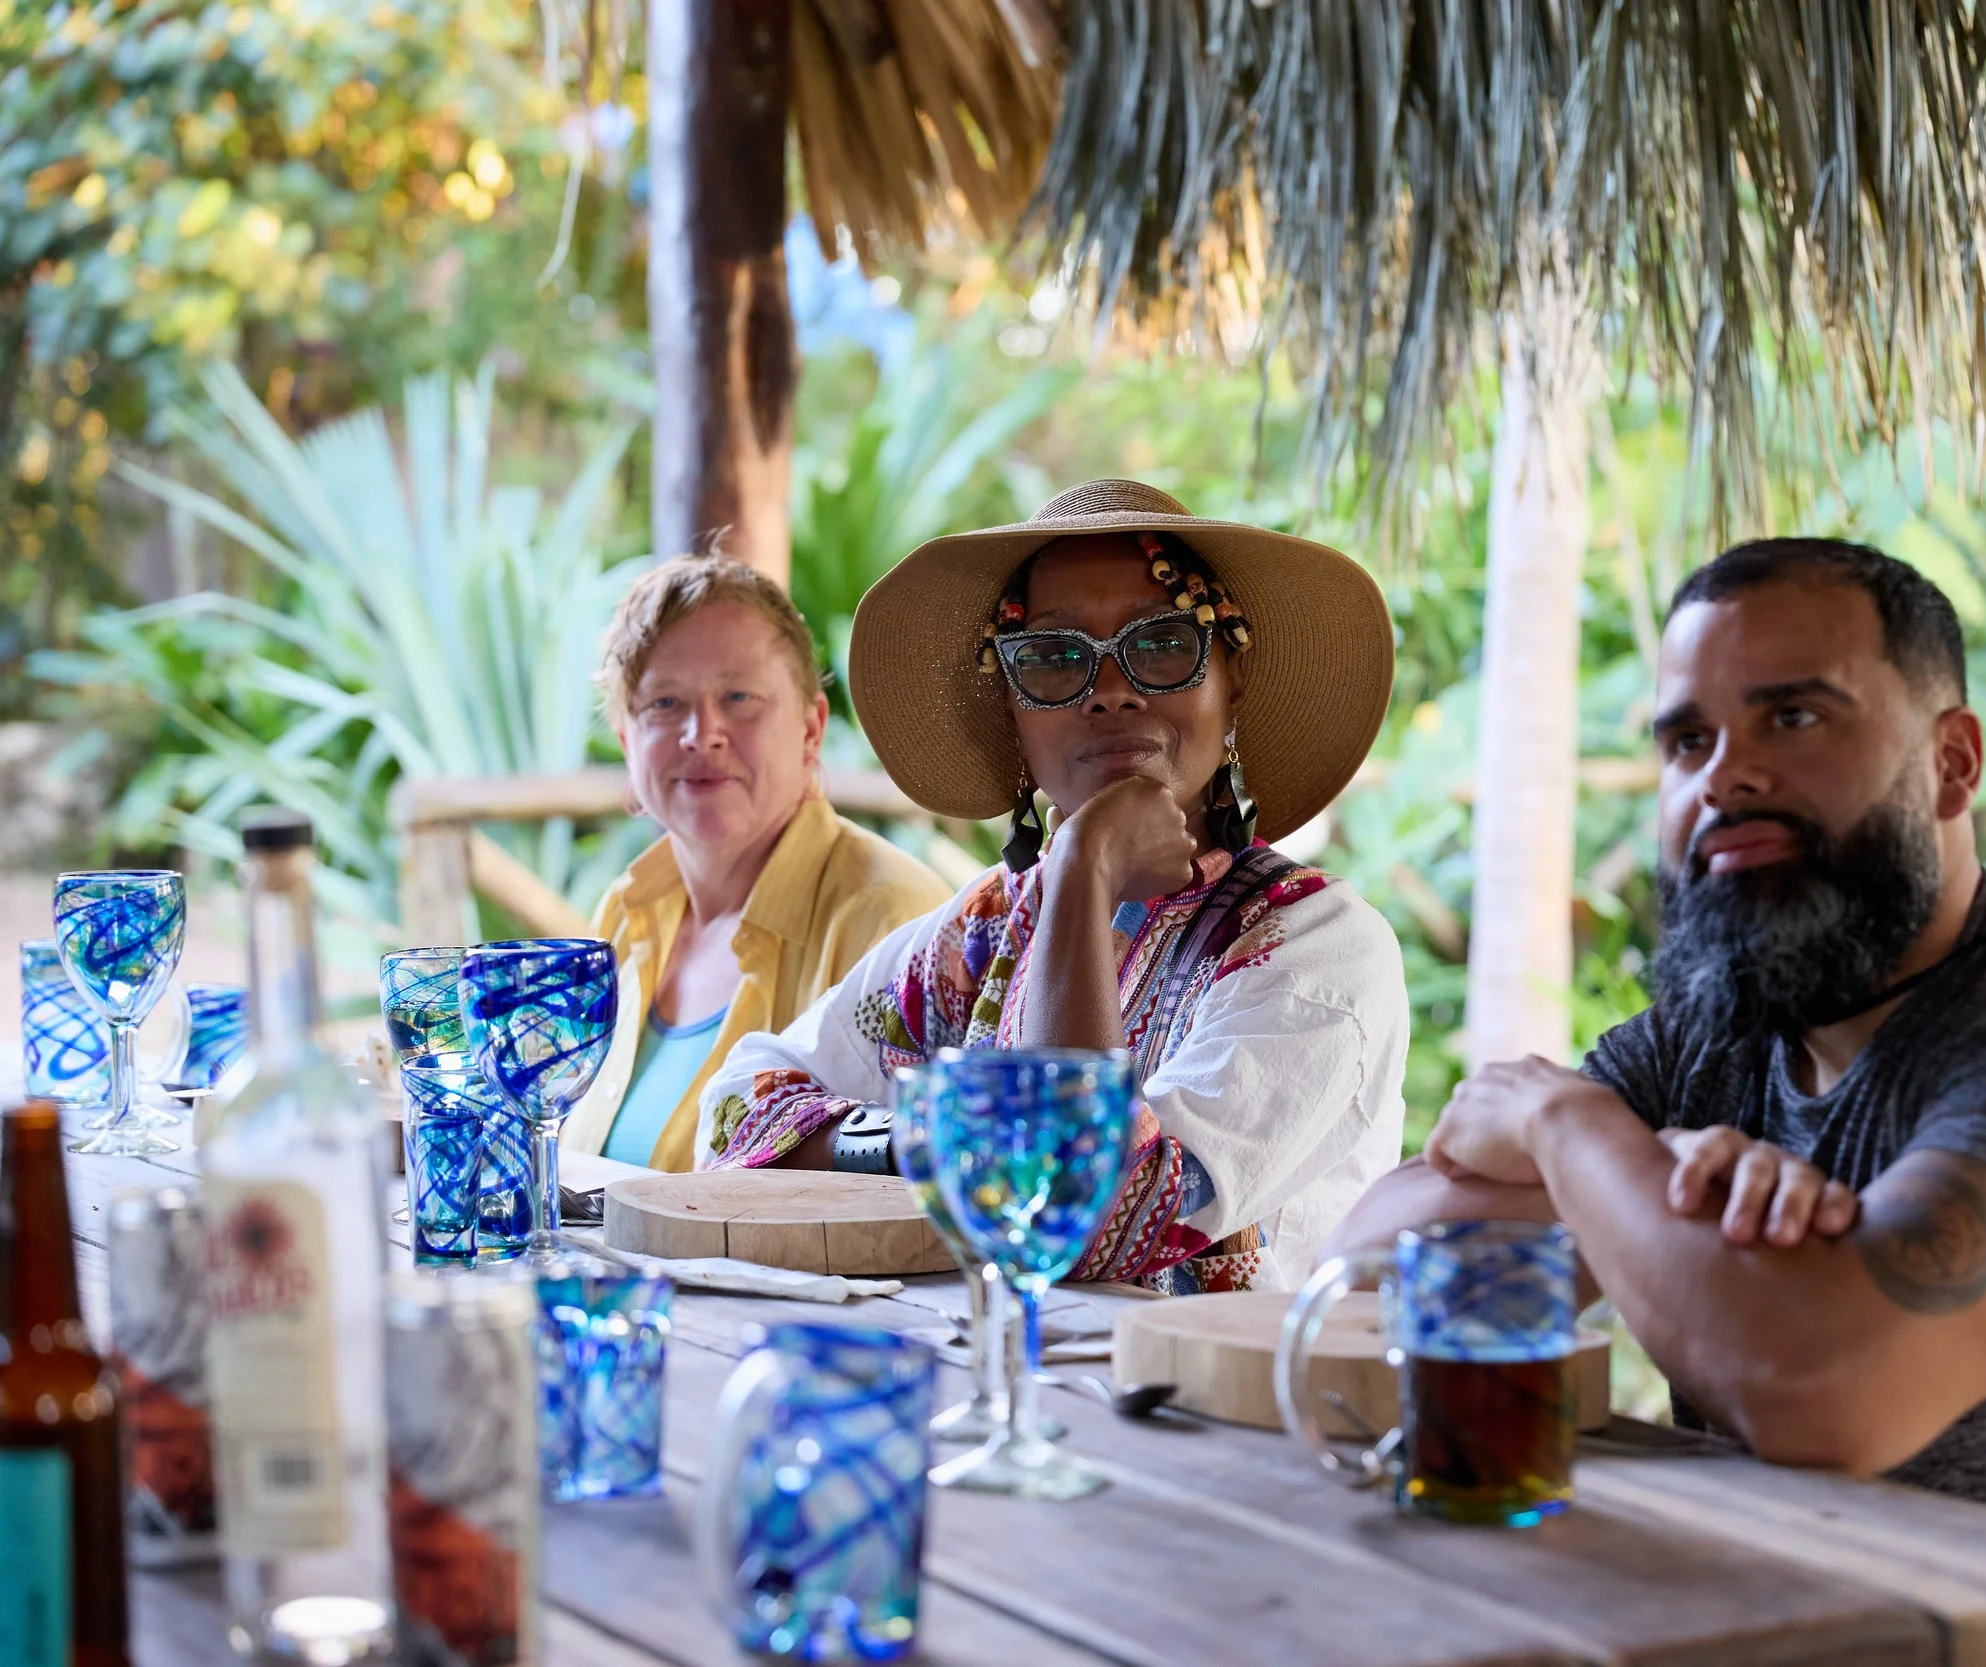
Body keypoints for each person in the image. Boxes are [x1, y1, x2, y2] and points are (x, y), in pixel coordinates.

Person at [1326, 538, 1986, 1666]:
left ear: (1952, 763)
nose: (1723, 776)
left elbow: (1825, 1394)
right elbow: (1365, 1262)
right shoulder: (1708, 1038)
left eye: (1792, 718)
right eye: (1685, 740)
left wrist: (1570, 1127)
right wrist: (1656, 1163)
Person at [698, 480, 1409, 1292]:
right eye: (1053, 657)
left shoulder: (1317, 950)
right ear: (1013, 706)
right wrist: (938, 1146)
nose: (1112, 688)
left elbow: (1077, 1221)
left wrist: (1082, 869)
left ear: (1232, 679)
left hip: (1206, 1413)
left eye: (1165, 643)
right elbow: (735, 1109)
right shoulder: (990, 927)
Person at [562, 555, 950, 1172]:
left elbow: (925, 1190)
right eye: (664, 702)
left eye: (739, 696)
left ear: (810, 728)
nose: (702, 733)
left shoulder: (890, 918)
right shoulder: (624, 908)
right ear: (627, 740)